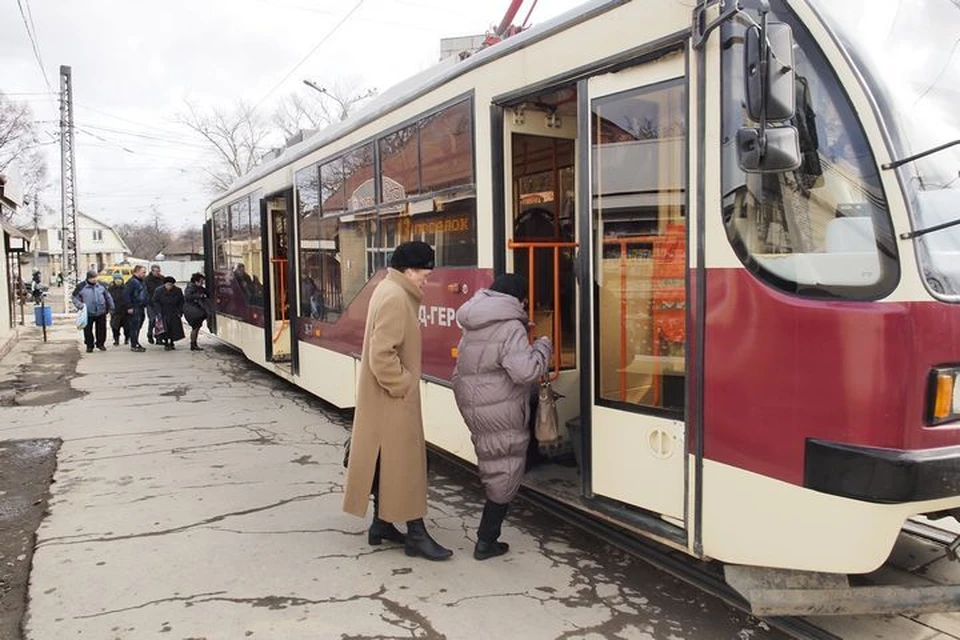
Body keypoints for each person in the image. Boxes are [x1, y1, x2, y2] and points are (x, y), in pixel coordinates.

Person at [342, 241, 452, 561]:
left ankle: (381, 524)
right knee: (407, 465)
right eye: (424, 274)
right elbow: (382, 355)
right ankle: (416, 534)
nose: (426, 281)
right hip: (392, 400)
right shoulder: (396, 297)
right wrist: (403, 384)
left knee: (388, 463)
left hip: (383, 401)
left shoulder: (388, 288)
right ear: (409, 270)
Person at [452, 273, 552, 560]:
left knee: (497, 462)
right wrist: (542, 345)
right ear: (519, 300)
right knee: (503, 469)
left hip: (477, 403)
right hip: (499, 406)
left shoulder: (475, 322)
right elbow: (526, 372)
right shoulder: (510, 327)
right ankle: (486, 542)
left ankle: (487, 538)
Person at [71, 269, 116, 353]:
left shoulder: (102, 285)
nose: (94, 279)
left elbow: (108, 296)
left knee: (101, 329)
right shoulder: (81, 286)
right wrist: (80, 306)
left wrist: (111, 307)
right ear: (88, 278)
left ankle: (100, 344)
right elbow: (74, 298)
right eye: (92, 278)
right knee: (88, 330)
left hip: (101, 311)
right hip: (87, 312)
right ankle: (89, 345)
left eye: (95, 277)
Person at [151, 276, 185, 350]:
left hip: (174, 312)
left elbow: (181, 301)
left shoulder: (178, 290)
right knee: (164, 329)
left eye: (171, 285)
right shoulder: (158, 290)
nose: (169, 286)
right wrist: (158, 311)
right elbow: (155, 301)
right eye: (167, 285)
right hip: (163, 312)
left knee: (173, 328)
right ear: (164, 284)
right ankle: (166, 342)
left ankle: (172, 342)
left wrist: (180, 311)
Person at [123, 265, 148, 352]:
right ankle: (134, 344)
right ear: (137, 272)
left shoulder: (141, 281)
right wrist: (129, 307)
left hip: (141, 307)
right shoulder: (132, 282)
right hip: (134, 306)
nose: (145, 274)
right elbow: (126, 295)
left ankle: (136, 342)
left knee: (138, 326)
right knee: (134, 326)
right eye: (143, 272)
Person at [183, 272, 210, 351]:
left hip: (194, 310)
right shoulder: (191, 288)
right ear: (196, 281)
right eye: (201, 281)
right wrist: (200, 296)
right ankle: (193, 344)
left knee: (196, 327)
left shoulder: (198, 287)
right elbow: (188, 297)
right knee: (195, 327)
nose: (202, 283)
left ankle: (194, 344)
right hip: (192, 311)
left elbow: (206, 292)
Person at [144, 264, 164, 344]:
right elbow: (145, 292)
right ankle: (149, 334)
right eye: (155, 271)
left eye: (158, 271)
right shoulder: (147, 280)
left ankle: (159, 337)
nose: (157, 273)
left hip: (160, 303)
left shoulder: (162, 279)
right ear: (152, 271)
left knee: (160, 321)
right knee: (152, 320)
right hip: (150, 303)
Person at [107, 273, 129, 346]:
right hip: (115, 311)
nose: (118, 281)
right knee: (115, 326)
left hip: (125, 311)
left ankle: (127, 338)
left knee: (127, 327)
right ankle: (116, 339)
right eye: (116, 279)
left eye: (119, 279)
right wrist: (109, 308)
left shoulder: (126, 288)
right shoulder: (110, 289)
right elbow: (107, 299)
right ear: (114, 280)